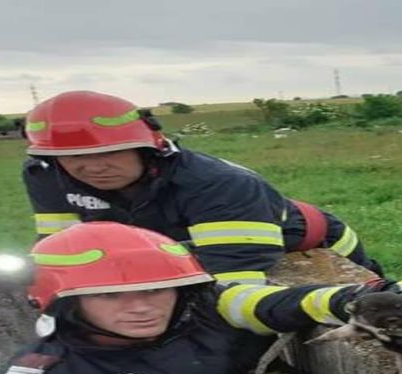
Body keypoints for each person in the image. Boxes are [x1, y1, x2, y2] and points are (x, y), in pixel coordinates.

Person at [0, 222, 402, 374]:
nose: (143, 305)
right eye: (112, 296)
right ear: (65, 305)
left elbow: (282, 304)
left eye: (163, 288)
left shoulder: (212, 308)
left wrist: (363, 301)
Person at [20, 90, 382, 286]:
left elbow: (232, 272)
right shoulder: (44, 174)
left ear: (150, 148)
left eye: (111, 151)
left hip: (311, 244)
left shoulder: (219, 184)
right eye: (72, 157)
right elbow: (61, 248)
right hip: (188, 246)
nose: (93, 166)